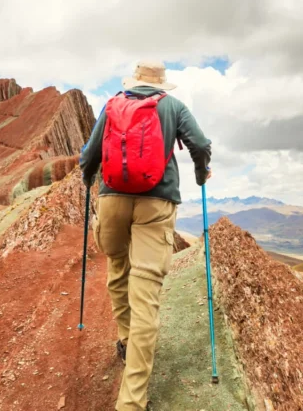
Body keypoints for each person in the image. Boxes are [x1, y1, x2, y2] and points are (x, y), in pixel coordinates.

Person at [80, 60, 212, 411]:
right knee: (146, 293)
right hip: (156, 202)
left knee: (117, 267)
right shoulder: (173, 106)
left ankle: (125, 338)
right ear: (161, 84)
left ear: (134, 81)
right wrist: (201, 172)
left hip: (112, 201)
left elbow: (89, 155)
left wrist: (89, 180)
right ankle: (132, 402)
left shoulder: (112, 105)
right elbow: (199, 144)